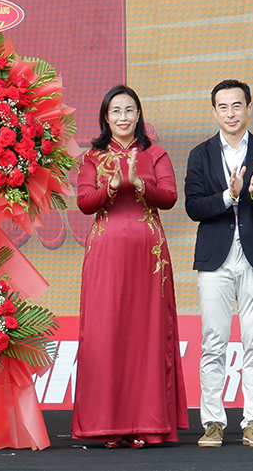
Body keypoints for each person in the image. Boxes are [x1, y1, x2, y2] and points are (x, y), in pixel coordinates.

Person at [72, 85, 189, 448]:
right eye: (116, 111)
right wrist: (109, 189)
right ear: (106, 118)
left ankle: (146, 424)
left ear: (139, 115)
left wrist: (139, 185)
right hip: (105, 255)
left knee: (148, 335)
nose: (123, 117)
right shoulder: (92, 157)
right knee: (105, 333)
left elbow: (169, 198)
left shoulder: (155, 153)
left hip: (148, 257)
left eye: (129, 110)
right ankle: (107, 425)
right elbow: (84, 203)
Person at [184, 79, 253, 448]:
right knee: (214, 342)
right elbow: (193, 207)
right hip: (215, 259)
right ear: (214, 112)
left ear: (249, 108)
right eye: (223, 107)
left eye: (237, 105)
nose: (231, 113)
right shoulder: (200, 154)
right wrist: (230, 195)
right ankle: (212, 422)